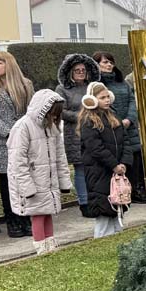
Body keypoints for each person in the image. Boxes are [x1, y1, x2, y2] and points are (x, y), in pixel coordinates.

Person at [6, 90, 71, 255]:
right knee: (38, 215)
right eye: (53, 114)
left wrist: (64, 182)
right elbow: (17, 162)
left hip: (48, 181)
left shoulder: (51, 127)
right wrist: (27, 188)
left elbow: (60, 156)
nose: (55, 118)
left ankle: (51, 244)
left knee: (48, 212)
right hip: (34, 181)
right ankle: (41, 247)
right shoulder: (23, 127)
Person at [0, 51, 34, 238]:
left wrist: (24, 131)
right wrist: (8, 131)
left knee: (26, 178)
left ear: (8, 64)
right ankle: (12, 220)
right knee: (7, 181)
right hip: (2, 141)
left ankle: (26, 217)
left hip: (25, 138)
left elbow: (32, 110)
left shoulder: (25, 84)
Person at [78, 82, 131, 238]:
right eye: (102, 97)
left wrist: (124, 163)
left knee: (116, 206)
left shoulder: (115, 118)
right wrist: (113, 164)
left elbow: (125, 141)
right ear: (91, 100)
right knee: (103, 208)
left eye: (108, 96)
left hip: (116, 171)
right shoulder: (88, 122)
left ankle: (116, 236)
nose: (107, 100)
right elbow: (95, 148)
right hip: (99, 171)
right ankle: (101, 237)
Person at [94, 52, 144, 203]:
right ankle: (120, 192)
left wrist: (129, 119)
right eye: (104, 62)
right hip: (113, 128)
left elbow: (131, 100)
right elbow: (104, 103)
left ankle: (135, 191)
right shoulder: (97, 85)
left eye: (111, 62)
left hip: (129, 127)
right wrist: (117, 121)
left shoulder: (123, 83)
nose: (109, 65)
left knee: (135, 159)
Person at [55, 53, 100, 215]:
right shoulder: (62, 89)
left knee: (95, 168)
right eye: (77, 70)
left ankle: (96, 199)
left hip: (94, 131)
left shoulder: (91, 87)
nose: (81, 72)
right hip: (75, 133)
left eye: (83, 69)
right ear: (70, 72)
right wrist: (82, 116)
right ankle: (84, 202)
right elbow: (60, 111)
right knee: (80, 168)